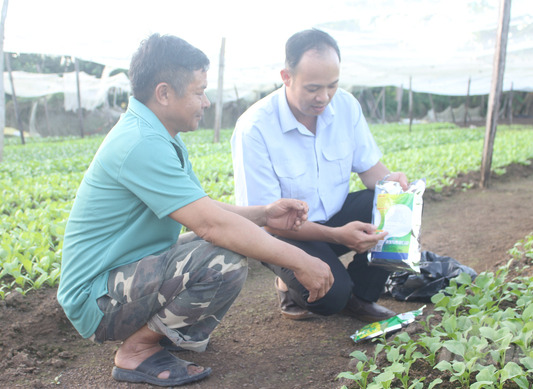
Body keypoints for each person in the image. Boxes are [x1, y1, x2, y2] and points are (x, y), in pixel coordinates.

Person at [56, 34, 334, 387]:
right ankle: (137, 351)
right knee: (223, 261)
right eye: (199, 91)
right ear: (164, 93)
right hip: (96, 298)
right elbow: (211, 224)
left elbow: (201, 208)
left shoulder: (158, 134)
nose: (206, 101)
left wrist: (265, 214)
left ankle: (165, 333)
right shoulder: (141, 143)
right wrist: (300, 260)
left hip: (121, 276)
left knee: (221, 246)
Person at [231, 29, 409, 323]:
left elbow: (369, 169)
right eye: (313, 87)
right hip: (283, 234)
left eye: (332, 86)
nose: (323, 97)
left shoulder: (346, 106)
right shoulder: (255, 128)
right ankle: (291, 284)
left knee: (392, 204)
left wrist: (394, 184)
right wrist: (337, 235)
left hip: (335, 217)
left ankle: (360, 297)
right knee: (330, 298)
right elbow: (267, 222)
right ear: (286, 76)